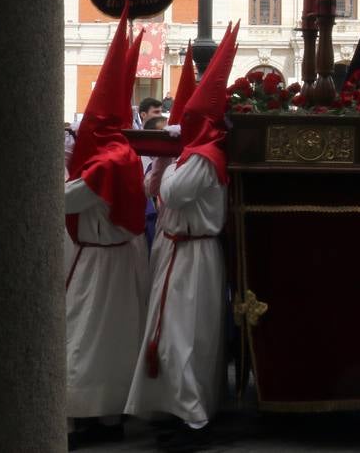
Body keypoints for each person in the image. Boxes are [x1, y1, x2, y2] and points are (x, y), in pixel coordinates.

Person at [127, 23, 239, 444]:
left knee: (183, 338)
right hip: (182, 253)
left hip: (192, 257)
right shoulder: (194, 154)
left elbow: (174, 191)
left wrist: (173, 155)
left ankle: (195, 418)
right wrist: (164, 159)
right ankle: (181, 408)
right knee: (180, 335)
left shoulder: (202, 157)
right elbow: (152, 191)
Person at [65, 6, 149, 450]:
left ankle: (84, 416)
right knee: (115, 339)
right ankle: (110, 414)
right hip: (121, 260)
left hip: (100, 265)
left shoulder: (107, 162)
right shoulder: (125, 153)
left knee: (87, 338)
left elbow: (65, 200)